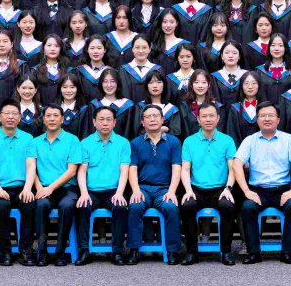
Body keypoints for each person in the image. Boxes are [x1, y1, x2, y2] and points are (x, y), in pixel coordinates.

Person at [234, 102, 291, 263]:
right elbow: (237, 163)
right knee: (248, 207)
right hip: (258, 190)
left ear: (278, 120)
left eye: (271, 115)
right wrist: (246, 191)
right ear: (257, 120)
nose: (267, 119)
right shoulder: (250, 140)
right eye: (263, 116)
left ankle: (288, 252)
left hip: (283, 189)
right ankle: (253, 253)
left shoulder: (288, 139)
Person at [178, 102, 238, 266]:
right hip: (196, 189)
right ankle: (192, 252)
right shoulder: (189, 141)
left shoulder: (227, 140)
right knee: (187, 206)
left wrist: (228, 189)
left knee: (227, 206)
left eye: (212, 116)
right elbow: (185, 170)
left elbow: (232, 169)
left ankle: (226, 251)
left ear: (218, 118)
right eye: (204, 116)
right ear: (198, 119)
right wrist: (188, 190)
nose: (208, 119)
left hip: (220, 189)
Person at [0, 101, 37, 265]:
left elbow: (31, 166)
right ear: (0, 117)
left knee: (29, 204)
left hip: (22, 187)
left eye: (14, 113)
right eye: (7, 113)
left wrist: (28, 188)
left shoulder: (28, 139)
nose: (10, 117)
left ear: (20, 117)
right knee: (2, 205)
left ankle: (26, 250)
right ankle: (5, 251)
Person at [74, 106, 132, 265]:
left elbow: (124, 172)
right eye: (101, 119)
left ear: (114, 122)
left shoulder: (123, 143)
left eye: (108, 120)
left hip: (113, 191)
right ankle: (84, 251)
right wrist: (84, 193)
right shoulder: (85, 143)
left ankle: (117, 251)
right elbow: (81, 171)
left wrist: (119, 193)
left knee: (120, 207)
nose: (105, 123)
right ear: (94, 122)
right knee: (82, 207)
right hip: (91, 191)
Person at [127, 105, 183, 264]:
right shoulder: (135, 143)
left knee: (171, 207)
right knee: (135, 206)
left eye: (156, 116)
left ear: (162, 119)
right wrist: (136, 190)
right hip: (143, 188)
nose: (152, 119)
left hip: (164, 189)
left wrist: (172, 191)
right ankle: (134, 250)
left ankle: (173, 251)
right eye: (148, 117)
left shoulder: (173, 142)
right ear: (142, 122)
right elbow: (132, 168)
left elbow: (176, 168)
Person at [28, 105, 82, 265]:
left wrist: (51, 188)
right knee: (41, 205)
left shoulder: (72, 140)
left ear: (62, 119)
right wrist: (39, 187)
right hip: (43, 188)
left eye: (55, 115)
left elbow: (72, 171)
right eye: (48, 116)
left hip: (67, 189)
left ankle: (60, 252)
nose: (52, 119)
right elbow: (31, 169)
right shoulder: (35, 142)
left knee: (66, 206)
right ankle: (42, 251)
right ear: (43, 119)